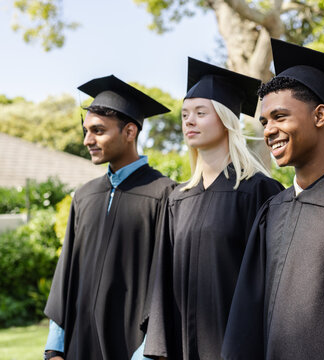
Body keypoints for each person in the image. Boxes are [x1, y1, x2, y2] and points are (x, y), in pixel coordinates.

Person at [222, 39, 324, 360]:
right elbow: (246, 320)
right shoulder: (274, 211)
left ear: (320, 115)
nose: (269, 130)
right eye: (265, 122)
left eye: (280, 117)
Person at [143, 58, 283, 359]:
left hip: (238, 347)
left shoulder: (259, 191)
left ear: (226, 119)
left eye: (200, 113)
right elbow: (162, 284)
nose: (188, 122)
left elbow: (271, 284)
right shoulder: (178, 199)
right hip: (182, 346)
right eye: (184, 115)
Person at [44, 75, 175, 360]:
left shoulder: (166, 194)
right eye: (86, 130)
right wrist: (55, 348)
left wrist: (146, 354)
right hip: (80, 346)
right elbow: (66, 273)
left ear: (129, 132)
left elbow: (165, 283)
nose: (87, 140)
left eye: (98, 131)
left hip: (133, 349)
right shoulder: (84, 197)